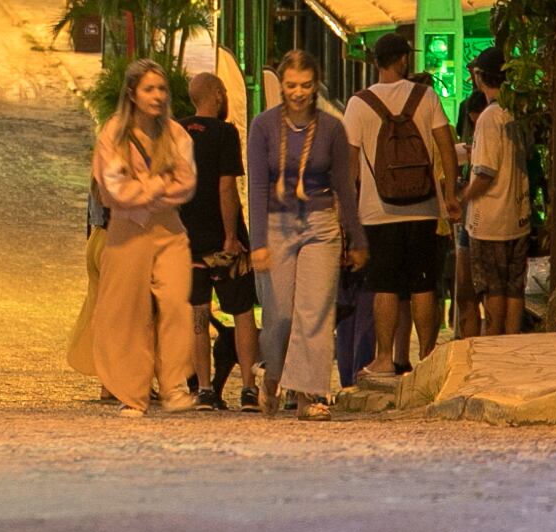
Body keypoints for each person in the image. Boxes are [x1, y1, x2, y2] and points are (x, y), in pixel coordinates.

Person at [246, 49, 359, 419]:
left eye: (306, 85)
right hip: (277, 223)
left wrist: (357, 237)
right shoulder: (263, 126)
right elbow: (257, 187)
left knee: (315, 313)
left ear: (316, 86)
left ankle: (310, 395)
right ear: (281, 85)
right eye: (291, 85)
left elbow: (345, 185)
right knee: (279, 316)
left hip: (320, 223)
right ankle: (272, 377)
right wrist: (258, 242)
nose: (298, 92)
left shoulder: (332, 128)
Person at [344, 31, 460, 382]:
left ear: (376, 63)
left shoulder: (359, 103)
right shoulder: (426, 97)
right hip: (424, 207)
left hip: (378, 212)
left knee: (385, 285)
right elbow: (446, 148)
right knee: (424, 283)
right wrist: (450, 195)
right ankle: (426, 357)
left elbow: (349, 165)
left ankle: (384, 358)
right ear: (403, 60)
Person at [86, 58, 199, 414]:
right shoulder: (114, 133)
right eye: (149, 89)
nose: (158, 96)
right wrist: (157, 186)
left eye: (162, 89)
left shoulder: (177, 134)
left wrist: (145, 188)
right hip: (126, 231)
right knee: (126, 313)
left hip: (168, 230)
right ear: (133, 94)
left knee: (176, 305)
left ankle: (174, 385)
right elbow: (115, 187)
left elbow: (186, 184)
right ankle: (132, 393)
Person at [179, 70, 261, 410]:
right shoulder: (226, 133)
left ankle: (204, 389)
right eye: (223, 92)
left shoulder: (176, 130)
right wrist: (231, 235)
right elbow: (226, 187)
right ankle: (249, 388)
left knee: (199, 312)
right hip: (221, 240)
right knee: (241, 311)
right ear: (215, 95)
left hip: (187, 239)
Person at [461, 46, 532, 338]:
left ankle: (494, 342)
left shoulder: (489, 117)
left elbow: (485, 173)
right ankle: (511, 341)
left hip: (491, 220)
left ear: (480, 77)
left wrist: (462, 196)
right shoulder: (515, 110)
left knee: (493, 287)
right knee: (514, 286)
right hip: (518, 215)